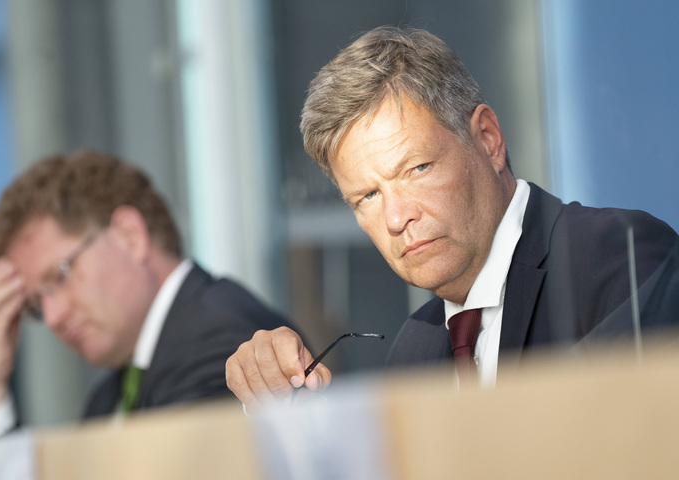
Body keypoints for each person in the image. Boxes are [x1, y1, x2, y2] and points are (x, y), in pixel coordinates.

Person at [225, 26, 679, 411]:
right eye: (367, 196)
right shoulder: (414, 349)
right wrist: (281, 410)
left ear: (488, 139)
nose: (397, 217)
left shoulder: (617, 257)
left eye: (416, 169)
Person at [0, 150, 292, 443]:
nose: (53, 316)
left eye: (60, 275)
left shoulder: (221, 346)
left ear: (130, 236)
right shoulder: (107, 399)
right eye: (34, 306)